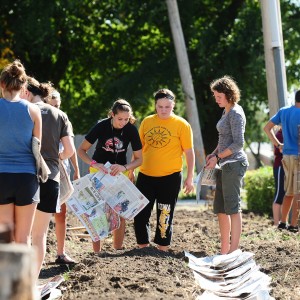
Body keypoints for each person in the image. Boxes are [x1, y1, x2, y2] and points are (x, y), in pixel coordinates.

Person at [21, 77, 75, 280]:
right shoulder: (60, 114)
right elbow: (69, 150)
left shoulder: (23, 111)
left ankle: (21, 280)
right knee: (40, 235)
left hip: (26, 176)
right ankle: (33, 281)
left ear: (26, 92)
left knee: (22, 234)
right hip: (51, 177)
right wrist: (54, 158)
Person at [134, 88, 195, 252]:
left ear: (173, 105)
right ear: (155, 106)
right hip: (146, 176)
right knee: (140, 213)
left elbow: (189, 152)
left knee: (164, 214)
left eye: (167, 107)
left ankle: (162, 249)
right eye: (160, 107)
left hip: (170, 177)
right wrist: (132, 169)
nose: (163, 110)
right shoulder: (147, 122)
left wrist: (190, 177)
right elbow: (138, 149)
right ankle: (143, 248)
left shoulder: (182, 124)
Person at [78, 99, 142, 253]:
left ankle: (117, 249)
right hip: (98, 173)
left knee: (121, 212)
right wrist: (94, 164)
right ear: (112, 115)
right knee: (97, 212)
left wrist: (125, 167)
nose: (123, 122)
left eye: (126, 119)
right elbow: (81, 150)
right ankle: (96, 253)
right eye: (120, 119)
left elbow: (140, 159)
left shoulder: (131, 130)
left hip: (120, 173)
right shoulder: (101, 126)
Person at [0, 60, 42, 245]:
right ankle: (23, 275)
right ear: (24, 86)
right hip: (26, 177)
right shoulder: (33, 110)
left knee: (4, 237)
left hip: (1, 176)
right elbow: (37, 146)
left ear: (2, 84)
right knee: (23, 237)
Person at [205, 76, 248, 255]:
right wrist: (214, 154)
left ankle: (233, 252)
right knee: (221, 209)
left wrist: (218, 157)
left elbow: (238, 143)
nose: (216, 99)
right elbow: (223, 140)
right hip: (224, 164)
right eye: (215, 96)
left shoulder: (236, 113)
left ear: (228, 94)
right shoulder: (226, 111)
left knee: (232, 208)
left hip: (234, 164)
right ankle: (224, 251)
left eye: (218, 96)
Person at [47, 90, 80, 264]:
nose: (55, 109)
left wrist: (76, 168)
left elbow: (71, 146)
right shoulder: (38, 117)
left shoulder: (63, 119)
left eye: (57, 106)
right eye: (51, 105)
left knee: (61, 213)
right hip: (43, 168)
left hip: (61, 169)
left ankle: (60, 253)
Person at [264, 90, 300, 233]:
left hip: (286, 157)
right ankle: (293, 225)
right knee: (298, 194)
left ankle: (282, 222)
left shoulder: (284, 111)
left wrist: (278, 144)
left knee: (289, 192)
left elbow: (267, 128)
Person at [272, 127, 285, 226]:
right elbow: (281, 151)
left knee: (285, 195)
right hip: (280, 166)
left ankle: (283, 222)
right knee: (279, 194)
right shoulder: (280, 135)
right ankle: (277, 223)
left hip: (287, 166)